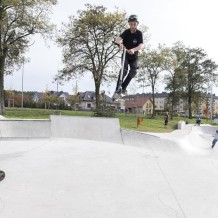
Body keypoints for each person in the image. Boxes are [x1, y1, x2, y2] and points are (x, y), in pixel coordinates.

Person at [114, 14, 144, 95]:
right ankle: (117, 89)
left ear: (137, 24)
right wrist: (119, 43)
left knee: (133, 71)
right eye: (131, 24)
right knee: (124, 70)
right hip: (125, 55)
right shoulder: (126, 32)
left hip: (134, 56)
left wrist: (134, 50)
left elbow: (141, 45)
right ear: (129, 24)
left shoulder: (139, 33)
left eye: (134, 24)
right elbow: (118, 39)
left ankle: (123, 88)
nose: (133, 26)